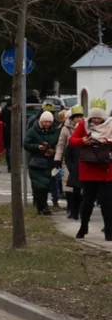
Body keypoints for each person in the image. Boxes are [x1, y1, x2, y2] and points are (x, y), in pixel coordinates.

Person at [70, 98, 112, 240]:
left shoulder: (110, 125)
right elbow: (72, 140)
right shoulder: (83, 124)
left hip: (106, 168)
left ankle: (109, 230)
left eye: (99, 118)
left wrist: (106, 141)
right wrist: (83, 141)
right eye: (94, 117)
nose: (96, 120)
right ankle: (83, 227)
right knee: (87, 201)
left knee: (107, 203)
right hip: (88, 168)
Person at [24, 111, 59, 216]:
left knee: (48, 185)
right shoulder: (32, 131)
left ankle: (44, 206)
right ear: (41, 121)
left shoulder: (56, 131)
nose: (47, 124)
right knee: (39, 186)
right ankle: (42, 207)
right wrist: (38, 147)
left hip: (50, 162)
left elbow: (59, 143)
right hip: (36, 162)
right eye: (45, 122)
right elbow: (26, 144)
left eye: (49, 122)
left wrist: (54, 151)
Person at [56, 105, 85, 219]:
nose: (78, 119)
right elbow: (61, 145)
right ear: (71, 118)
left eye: (80, 116)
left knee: (81, 187)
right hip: (68, 161)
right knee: (68, 186)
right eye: (76, 117)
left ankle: (79, 209)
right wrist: (57, 160)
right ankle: (71, 208)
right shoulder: (65, 129)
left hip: (83, 161)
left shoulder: (85, 128)